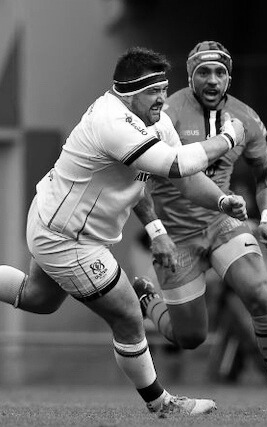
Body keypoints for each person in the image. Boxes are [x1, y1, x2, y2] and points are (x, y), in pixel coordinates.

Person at [0, 47, 248, 416]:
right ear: (129, 92)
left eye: (165, 88)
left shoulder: (154, 119)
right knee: (129, 317)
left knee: (39, 298)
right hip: (69, 240)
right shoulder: (111, 122)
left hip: (54, 218)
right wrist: (228, 138)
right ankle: (163, 405)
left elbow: (184, 180)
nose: (163, 98)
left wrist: (222, 201)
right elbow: (176, 164)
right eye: (153, 91)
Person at [129, 41, 267, 411]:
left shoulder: (245, 118)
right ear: (189, 77)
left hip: (222, 224)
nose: (212, 80)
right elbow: (136, 185)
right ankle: (148, 300)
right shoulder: (163, 114)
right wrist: (157, 233)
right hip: (177, 237)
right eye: (204, 72)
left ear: (229, 77)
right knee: (190, 337)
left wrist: (266, 218)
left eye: (220, 73)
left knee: (260, 293)